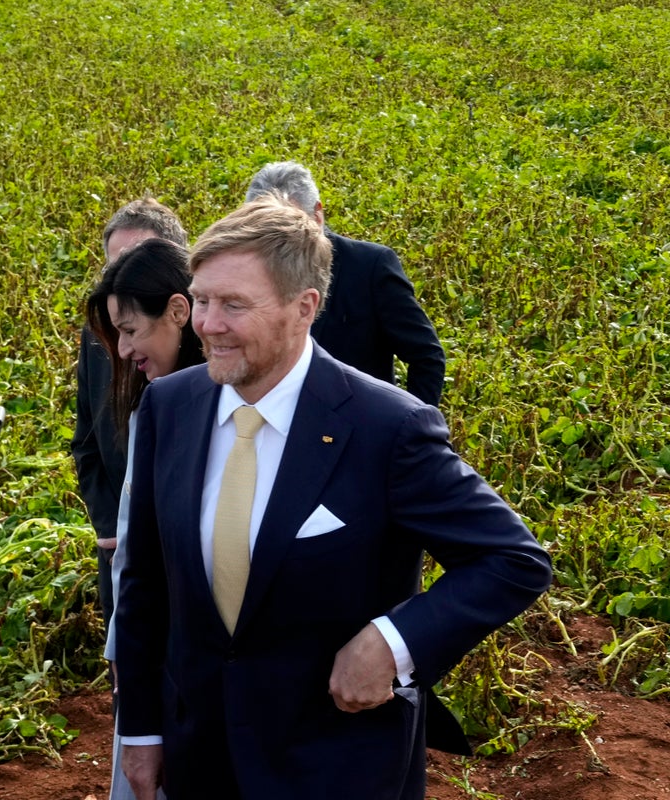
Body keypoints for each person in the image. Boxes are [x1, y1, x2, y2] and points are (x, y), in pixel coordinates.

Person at [113, 196, 552, 799]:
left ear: (305, 308)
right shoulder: (169, 407)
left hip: (335, 767)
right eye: (204, 300)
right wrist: (138, 733)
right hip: (201, 761)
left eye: (234, 304)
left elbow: (513, 560)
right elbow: (145, 584)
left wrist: (393, 643)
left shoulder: (386, 429)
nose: (208, 324)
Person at [85, 238, 205, 800]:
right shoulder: (154, 402)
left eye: (131, 329)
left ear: (178, 312)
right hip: (149, 644)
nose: (124, 347)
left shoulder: (212, 410)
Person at [72, 198, 188, 635]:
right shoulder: (101, 334)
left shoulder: (216, 375)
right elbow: (86, 440)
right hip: (119, 550)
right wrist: (111, 527)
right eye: (115, 266)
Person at [246, 161, 446, 406]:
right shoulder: (246, 271)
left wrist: (410, 429)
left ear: (317, 215)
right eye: (264, 230)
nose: (278, 243)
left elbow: (426, 356)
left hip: (359, 429)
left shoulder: (369, 266)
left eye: (289, 226)